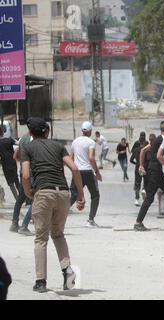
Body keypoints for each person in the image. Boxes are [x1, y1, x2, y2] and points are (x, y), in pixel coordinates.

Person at [21, 117, 85, 293]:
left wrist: (29, 193)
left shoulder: (27, 148)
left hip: (43, 192)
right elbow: (75, 169)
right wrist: (80, 194)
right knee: (58, 234)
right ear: (47, 131)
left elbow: (25, 175)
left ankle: (41, 282)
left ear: (30, 133)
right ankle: (67, 270)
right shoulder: (58, 146)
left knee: (41, 238)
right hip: (63, 193)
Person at [69, 122, 103, 228]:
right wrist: (97, 172)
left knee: (73, 195)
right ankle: (91, 220)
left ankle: (58, 216)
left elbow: (71, 158)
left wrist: (73, 171)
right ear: (90, 131)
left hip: (77, 171)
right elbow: (91, 158)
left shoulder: (75, 142)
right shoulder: (90, 142)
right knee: (95, 195)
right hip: (88, 171)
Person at [10, 132, 34, 236]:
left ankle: (14, 223)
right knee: (37, 198)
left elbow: (15, 156)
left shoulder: (22, 139)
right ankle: (24, 225)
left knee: (20, 198)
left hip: (22, 172)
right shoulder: (33, 140)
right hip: (32, 173)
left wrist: (23, 162)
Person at [0, 126, 20, 200]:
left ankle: (17, 199)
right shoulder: (9, 140)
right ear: (3, 132)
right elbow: (18, 143)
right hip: (13, 163)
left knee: (10, 183)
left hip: (5, 165)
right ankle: (22, 198)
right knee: (16, 180)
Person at [130, 135, 149, 206]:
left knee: (137, 183)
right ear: (144, 142)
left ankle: (137, 199)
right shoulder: (146, 150)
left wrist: (136, 163)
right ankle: (144, 189)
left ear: (139, 141)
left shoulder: (135, 150)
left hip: (138, 168)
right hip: (145, 167)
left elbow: (131, 160)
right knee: (145, 181)